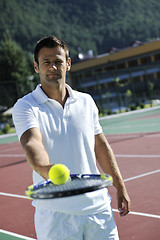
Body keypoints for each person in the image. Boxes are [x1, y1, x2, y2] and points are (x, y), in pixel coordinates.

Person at [12, 35, 131, 240]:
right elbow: (32, 142)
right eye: (46, 62)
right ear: (36, 67)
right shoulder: (25, 106)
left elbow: (100, 145)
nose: (52, 67)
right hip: (56, 217)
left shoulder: (86, 101)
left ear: (68, 64)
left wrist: (119, 184)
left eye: (58, 61)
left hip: (98, 210)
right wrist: (47, 169)